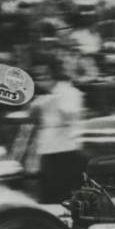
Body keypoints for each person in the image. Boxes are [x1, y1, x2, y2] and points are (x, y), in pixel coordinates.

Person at [29, 57, 85, 203]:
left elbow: (70, 117)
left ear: (54, 73)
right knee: (48, 197)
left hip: (66, 152)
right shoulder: (43, 96)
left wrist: (54, 101)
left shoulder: (70, 92)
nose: (40, 79)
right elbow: (32, 117)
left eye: (44, 74)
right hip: (47, 151)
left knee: (65, 198)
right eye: (37, 76)